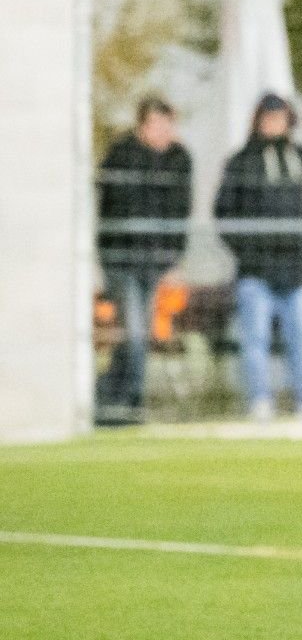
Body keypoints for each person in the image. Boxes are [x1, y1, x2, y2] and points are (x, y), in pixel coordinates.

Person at [213, 93, 302, 421]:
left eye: (280, 118)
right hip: (256, 271)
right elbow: (224, 215)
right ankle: (260, 400)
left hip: (298, 270)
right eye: (268, 117)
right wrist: (247, 252)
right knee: (255, 339)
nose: (274, 124)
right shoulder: (241, 163)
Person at [95, 96, 193, 425]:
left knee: (138, 335)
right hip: (123, 263)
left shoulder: (179, 159)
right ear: (142, 125)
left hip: (155, 264)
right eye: (157, 125)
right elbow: (115, 208)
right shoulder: (121, 155)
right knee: (134, 334)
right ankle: (128, 403)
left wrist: (173, 261)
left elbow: (181, 213)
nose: (164, 132)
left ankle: (115, 398)